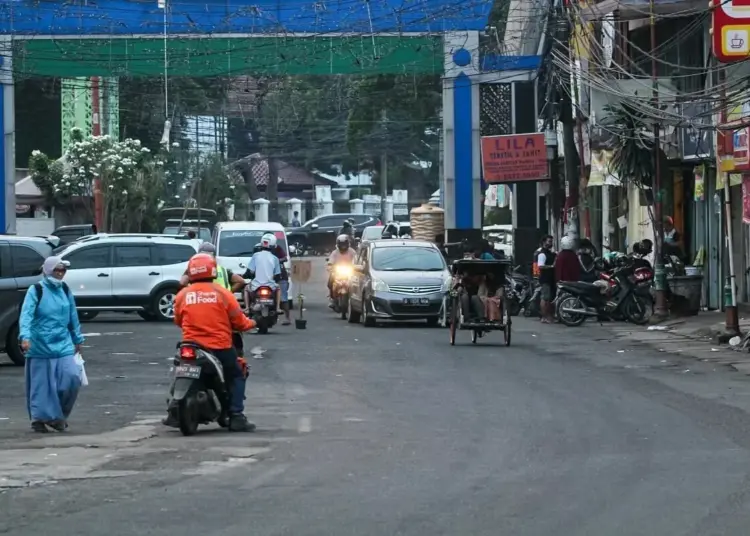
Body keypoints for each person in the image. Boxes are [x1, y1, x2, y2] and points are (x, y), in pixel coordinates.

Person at [172, 254, 257, 432]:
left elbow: (178, 320)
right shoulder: (223, 293)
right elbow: (240, 322)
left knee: (178, 368)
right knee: (237, 374)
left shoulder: (182, 295)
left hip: (190, 346)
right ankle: (236, 416)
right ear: (212, 270)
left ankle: (173, 409)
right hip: (219, 347)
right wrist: (253, 322)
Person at [19, 256, 85, 433]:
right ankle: (40, 419)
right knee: (42, 387)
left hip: (62, 343)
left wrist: (77, 338)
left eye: (63, 270)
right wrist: (25, 337)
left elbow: (72, 315)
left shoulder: (64, 289)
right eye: (57, 270)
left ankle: (57, 415)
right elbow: (26, 315)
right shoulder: (36, 290)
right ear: (48, 270)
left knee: (71, 378)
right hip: (40, 345)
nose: (61, 274)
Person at [179, 242, 247, 355]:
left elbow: (182, 283)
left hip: (197, 313)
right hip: (222, 313)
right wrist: (227, 293)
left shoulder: (192, 271)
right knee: (235, 364)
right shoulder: (223, 271)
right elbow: (241, 281)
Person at [245, 233, 282, 309]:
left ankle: (247, 308)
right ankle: (278, 308)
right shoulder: (275, 258)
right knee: (278, 288)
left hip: (256, 285)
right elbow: (278, 275)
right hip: (270, 286)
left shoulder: (256, 255)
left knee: (246, 288)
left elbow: (251, 271)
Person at [533, 235, 557, 323]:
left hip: (551, 279)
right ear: (544, 242)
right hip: (545, 279)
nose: (551, 243)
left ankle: (550, 316)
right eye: (549, 241)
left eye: (551, 241)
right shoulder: (542, 254)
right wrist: (551, 266)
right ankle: (544, 317)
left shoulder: (551, 253)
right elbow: (540, 266)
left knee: (551, 298)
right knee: (545, 298)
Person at [327, 234, 356, 301]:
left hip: (349, 271)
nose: (343, 246)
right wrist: (330, 266)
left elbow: (356, 260)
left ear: (348, 244)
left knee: (355, 283)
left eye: (344, 244)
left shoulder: (352, 252)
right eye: (341, 244)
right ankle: (332, 298)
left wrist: (355, 266)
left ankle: (353, 298)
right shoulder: (335, 252)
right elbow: (330, 261)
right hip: (337, 272)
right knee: (330, 283)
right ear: (338, 244)